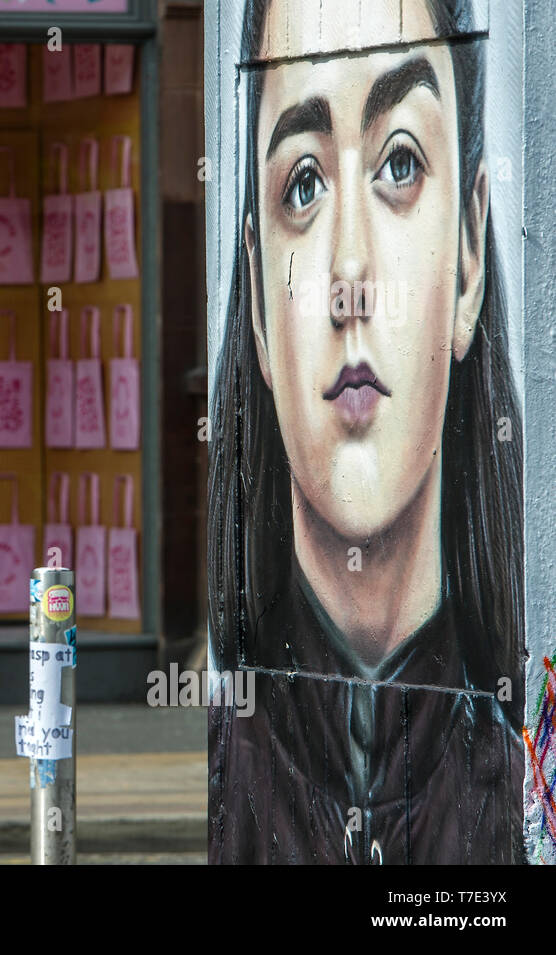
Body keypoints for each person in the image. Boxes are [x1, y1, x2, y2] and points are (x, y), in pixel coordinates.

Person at [208, 0, 524, 862]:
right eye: (302, 185)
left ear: (468, 252)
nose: (349, 276)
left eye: (400, 163)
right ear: (263, 315)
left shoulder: (520, 771)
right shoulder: (227, 761)